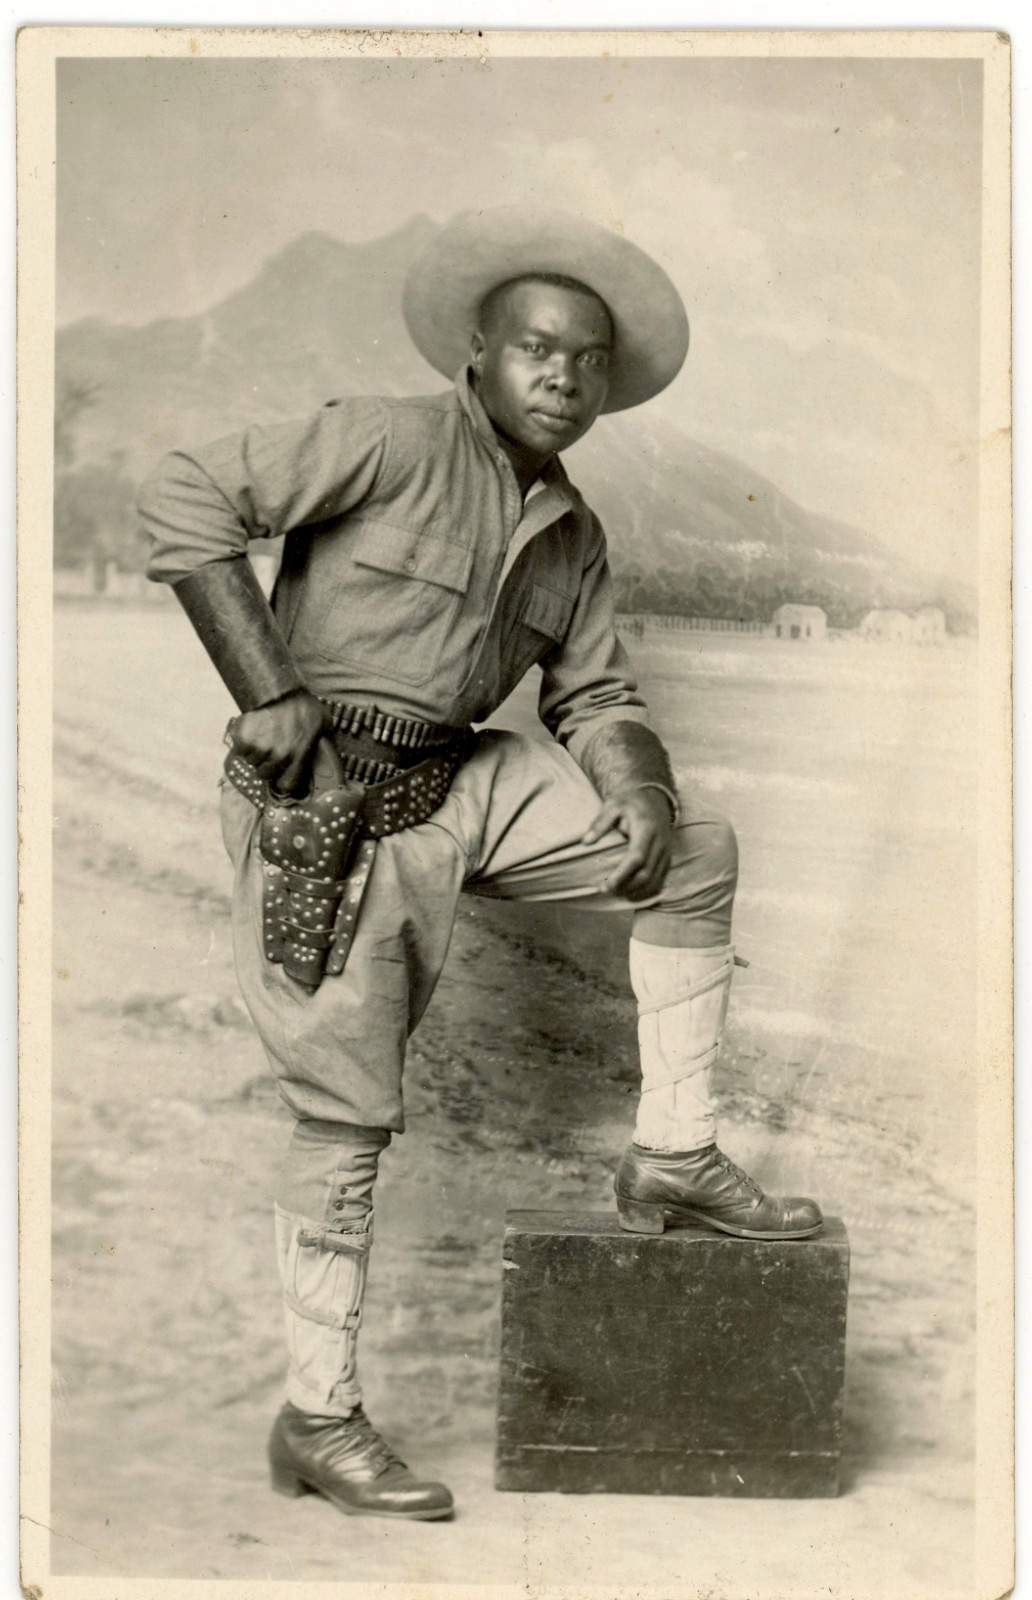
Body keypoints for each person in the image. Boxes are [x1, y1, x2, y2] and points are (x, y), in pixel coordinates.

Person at [139, 206, 822, 1524]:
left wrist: (638, 788)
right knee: (346, 1121)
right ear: (479, 354)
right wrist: (266, 687)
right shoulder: (385, 439)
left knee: (692, 853)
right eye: (536, 349)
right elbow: (182, 495)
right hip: (325, 805)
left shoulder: (573, 531)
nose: (563, 376)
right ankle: (317, 1418)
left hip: (459, 778)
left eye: (587, 361)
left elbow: (598, 691)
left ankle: (674, 1156)